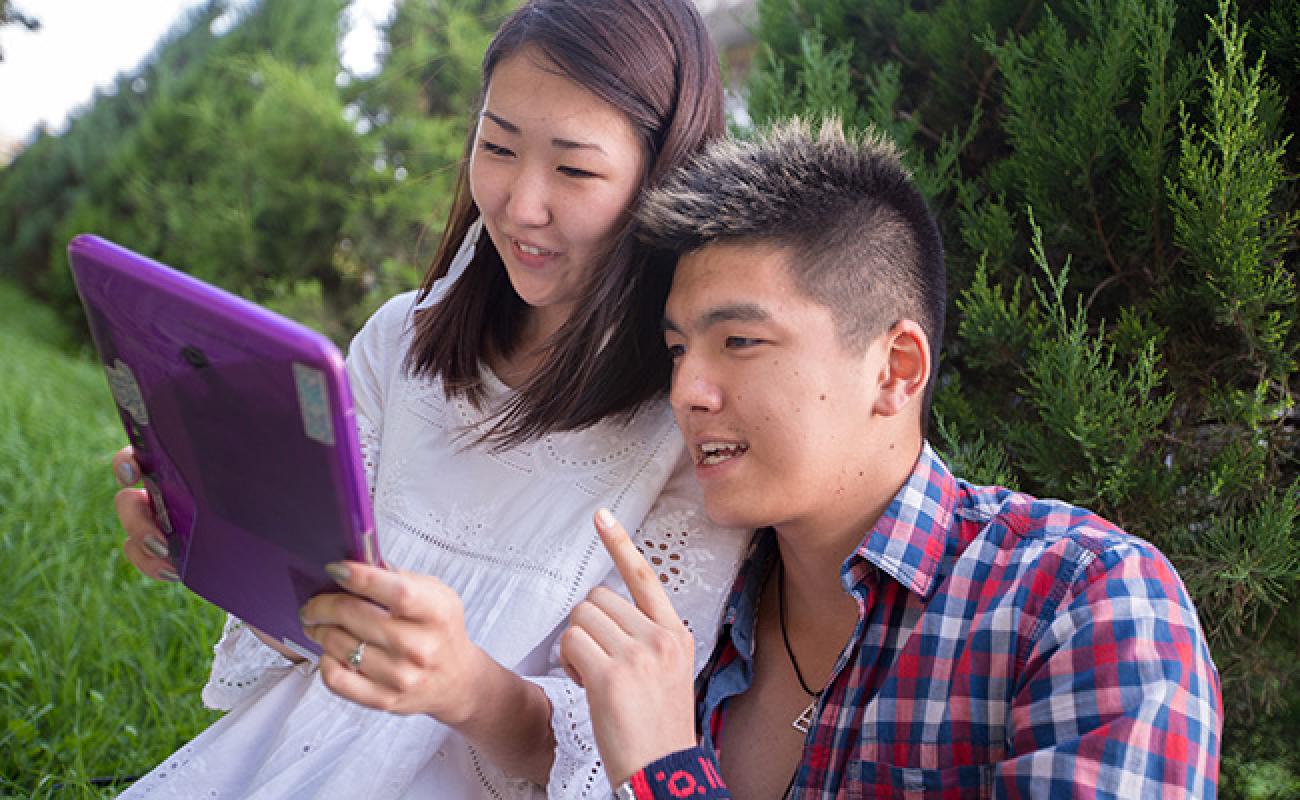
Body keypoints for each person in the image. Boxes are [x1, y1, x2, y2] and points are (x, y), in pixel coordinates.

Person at [108, 1, 750, 797]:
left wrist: (465, 686)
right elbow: (314, 625)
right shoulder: (399, 343)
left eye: (575, 169)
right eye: (498, 146)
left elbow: (613, 760)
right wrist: (212, 541)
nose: (521, 205)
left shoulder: (688, 428)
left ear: (662, 178)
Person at [561, 119, 1224, 798]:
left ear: (895, 370)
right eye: (678, 350)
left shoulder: (1082, 601)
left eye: (739, 341)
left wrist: (668, 775)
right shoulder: (687, 611)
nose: (686, 393)